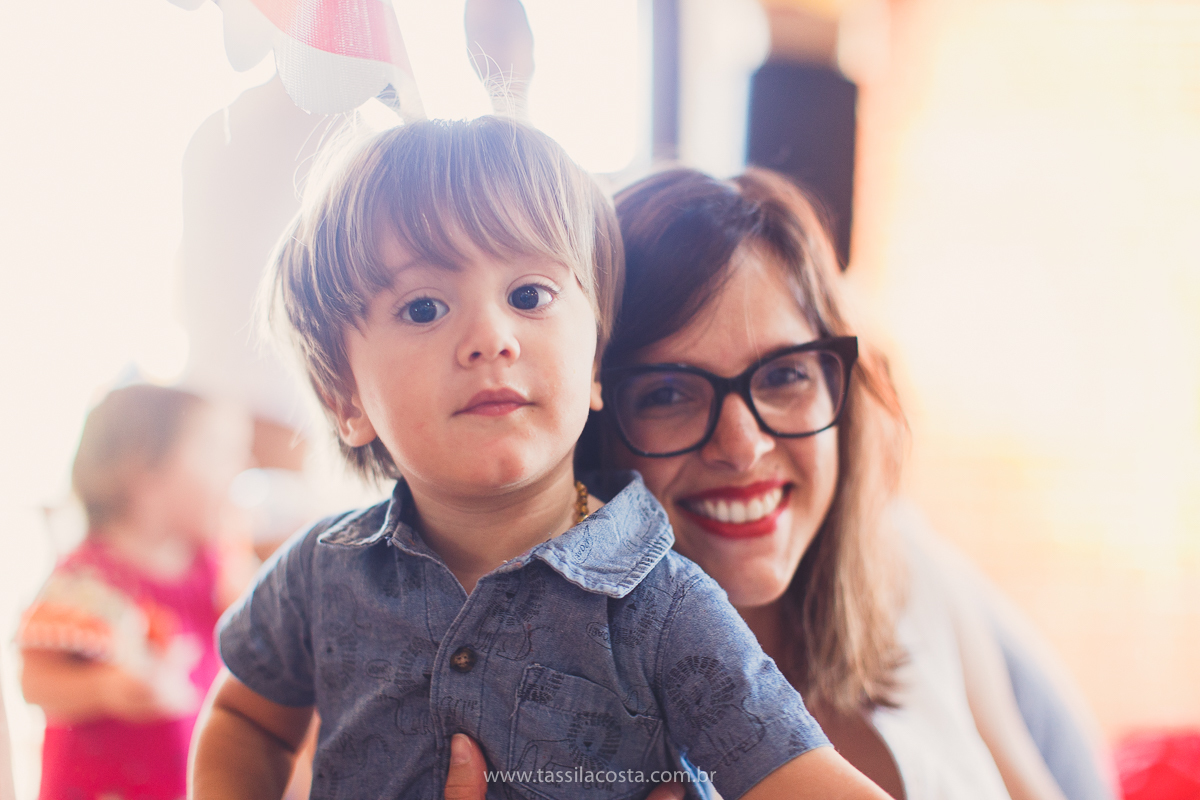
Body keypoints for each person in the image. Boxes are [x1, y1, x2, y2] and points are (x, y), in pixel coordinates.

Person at [191, 116, 896, 799]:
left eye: (529, 295)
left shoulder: (665, 609)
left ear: (595, 364)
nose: (490, 336)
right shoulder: (319, 572)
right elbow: (245, 720)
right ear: (346, 397)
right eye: (424, 308)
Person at [18, 384, 250, 800]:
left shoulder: (215, 567)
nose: (237, 469)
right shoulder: (86, 580)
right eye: (214, 452)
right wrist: (104, 689)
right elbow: (32, 682)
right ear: (146, 472)